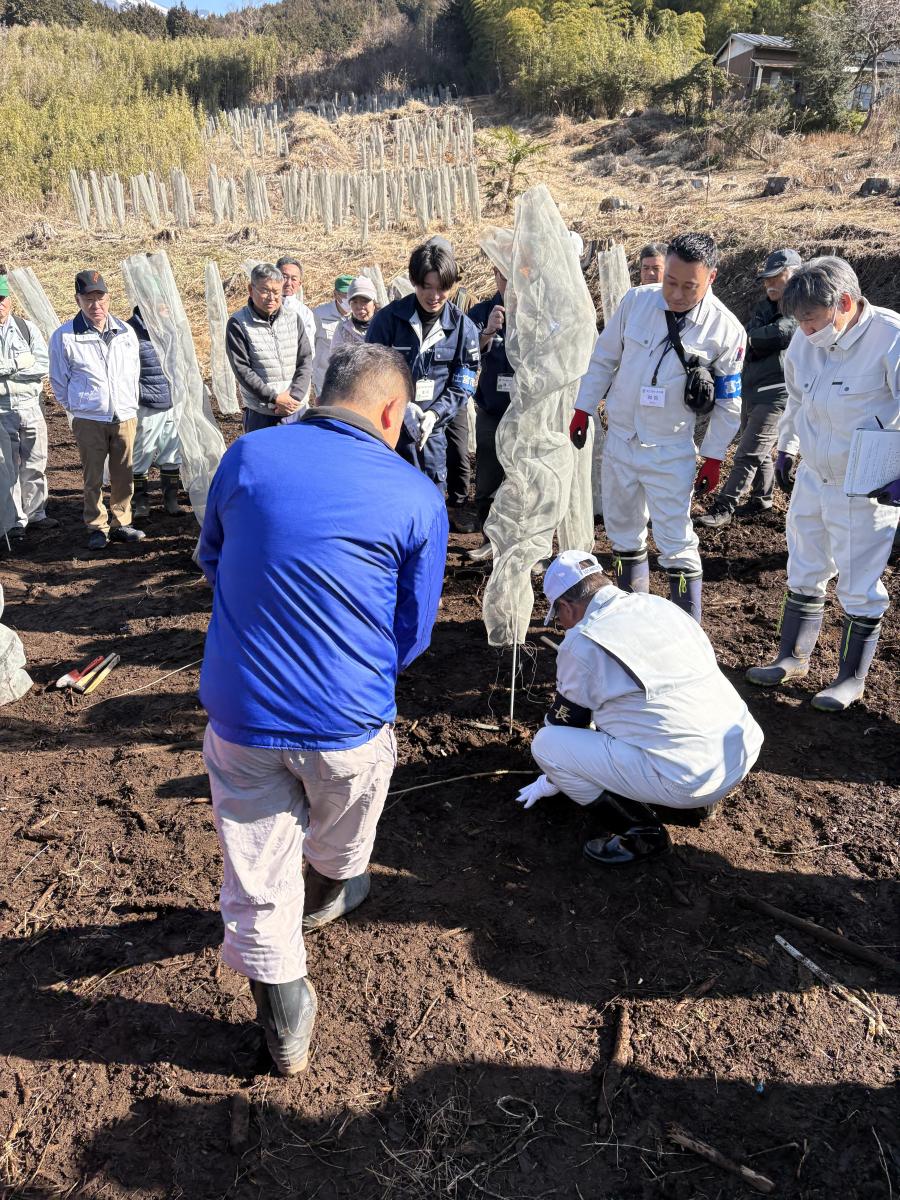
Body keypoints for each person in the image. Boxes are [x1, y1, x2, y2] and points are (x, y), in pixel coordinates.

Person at [198, 343, 449, 1076]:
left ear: (321, 393)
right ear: (392, 411)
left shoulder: (247, 457)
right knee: (349, 806)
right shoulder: (414, 494)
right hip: (346, 720)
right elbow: (413, 633)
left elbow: (213, 560)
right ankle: (339, 879)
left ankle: (285, 1009)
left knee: (255, 868)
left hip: (241, 713)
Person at [516, 550, 763, 865]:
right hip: (738, 754)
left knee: (547, 746)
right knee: (644, 715)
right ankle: (696, 804)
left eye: (559, 616)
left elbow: (567, 726)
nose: (562, 625)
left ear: (567, 606)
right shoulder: (658, 606)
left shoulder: (584, 641)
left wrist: (551, 778)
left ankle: (642, 833)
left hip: (689, 779)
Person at [746, 256, 900, 711]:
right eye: (799, 322)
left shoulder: (889, 339)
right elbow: (796, 400)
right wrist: (787, 448)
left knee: (858, 583)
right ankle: (792, 656)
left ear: (845, 303)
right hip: (815, 473)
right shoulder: (806, 343)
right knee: (805, 565)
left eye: (811, 320)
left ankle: (850, 679)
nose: (806, 332)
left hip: (865, 481)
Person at [569, 233, 745, 622]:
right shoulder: (636, 303)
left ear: (711, 277)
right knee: (622, 533)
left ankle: (687, 630)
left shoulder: (726, 331)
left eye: (689, 286)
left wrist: (714, 456)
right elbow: (604, 360)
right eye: (670, 281)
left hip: (669, 449)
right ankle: (633, 624)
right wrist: (583, 408)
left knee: (676, 542)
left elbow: (730, 406)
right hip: (621, 439)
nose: (676, 294)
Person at [366, 241, 480, 531]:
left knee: (430, 500)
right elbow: (369, 370)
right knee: (392, 499)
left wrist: (436, 414)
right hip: (390, 428)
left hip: (433, 432)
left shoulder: (462, 327)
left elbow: (465, 379)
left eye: (442, 287)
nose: (434, 296)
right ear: (415, 282)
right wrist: (399, 406)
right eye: (427, 286)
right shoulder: (389, 320)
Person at [698, 249, 801, 529]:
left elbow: (782, 333)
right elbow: (749, 337)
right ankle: (762, 498)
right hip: (753, 388)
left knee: (747, 452)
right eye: (768, 278)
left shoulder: (800, 307)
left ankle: (724, 506)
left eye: (778, 277)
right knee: (759, 450)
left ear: (793, 276)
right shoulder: (764, 307)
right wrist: (756, 339)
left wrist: (755, 339)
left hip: (778, 392)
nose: (771, 284)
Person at [49, 270, 145, 550]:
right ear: (78, 300)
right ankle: (96, 526)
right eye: (88, 299)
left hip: (124, 414)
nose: (96, 305)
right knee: (92, 477)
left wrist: (129, 403)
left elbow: (133, 372)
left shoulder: (126, 332)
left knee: (123, 473)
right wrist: (80, 405)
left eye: (100, 298)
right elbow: (58, 380)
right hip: (89, 418)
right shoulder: (65, 336)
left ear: (109, 298)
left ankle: (121, 522)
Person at [0, 272, 56, 541]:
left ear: (10, 300)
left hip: (30, 406)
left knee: (35, 461)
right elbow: (30, 365)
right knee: (6, 468)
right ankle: (14, 520)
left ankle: (36, 513)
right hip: (0, 410)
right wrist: (22, 363)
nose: (0, 304)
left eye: (3, 298)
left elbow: (42, 366)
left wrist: (8, 368)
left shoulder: (26, 328)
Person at [225, 263, 313, 433]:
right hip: (262, 412)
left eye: (276, 292)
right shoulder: (238, 324)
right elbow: (242, 369)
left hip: (295, 408)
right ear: (251, 289)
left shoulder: (293, 319)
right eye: (265, 291)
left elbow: (305, 360)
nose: (271, 298)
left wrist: (294, 397)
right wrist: (275, 398)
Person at [465, 257, 512, 562]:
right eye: (503, 275)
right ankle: (488, 540)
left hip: (527, 413)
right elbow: (467, 355)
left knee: (522, 480)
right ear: (495, 274)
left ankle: (521, 545)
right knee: (487, 479)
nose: (509, 283)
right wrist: (488, 332)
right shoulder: (482, 312)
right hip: (492, 410)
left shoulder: (534, 311)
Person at [126, 304, 182, 519]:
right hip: (147, 403)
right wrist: (140, 393)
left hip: (172, 401)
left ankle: (171, 499)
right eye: (161, 305)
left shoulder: (169, 329)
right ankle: (140, 501)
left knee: (172, 452)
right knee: (142, 452)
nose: (167, 309)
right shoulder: (131, 332)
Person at [311, 275, 352, 396]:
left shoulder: (359, 315)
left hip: (350, 380)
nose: (348, 299)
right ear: (335, 294)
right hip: (324, 379)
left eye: (351, 294)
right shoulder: (319, 314)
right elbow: (309, 345)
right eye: (344, 295)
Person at [276, 256, 317, 355]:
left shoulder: (305, 313)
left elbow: (308, 350)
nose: (289, 283)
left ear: (299, 283)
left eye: (294, 279)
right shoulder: (264, 305)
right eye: (284, 277)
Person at [330, 276, 378, 353]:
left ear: (374, 303)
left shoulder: (385, 325)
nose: (359, 307)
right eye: (354, 302)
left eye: (364, 301)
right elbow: (335, 359)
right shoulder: (343, 329)